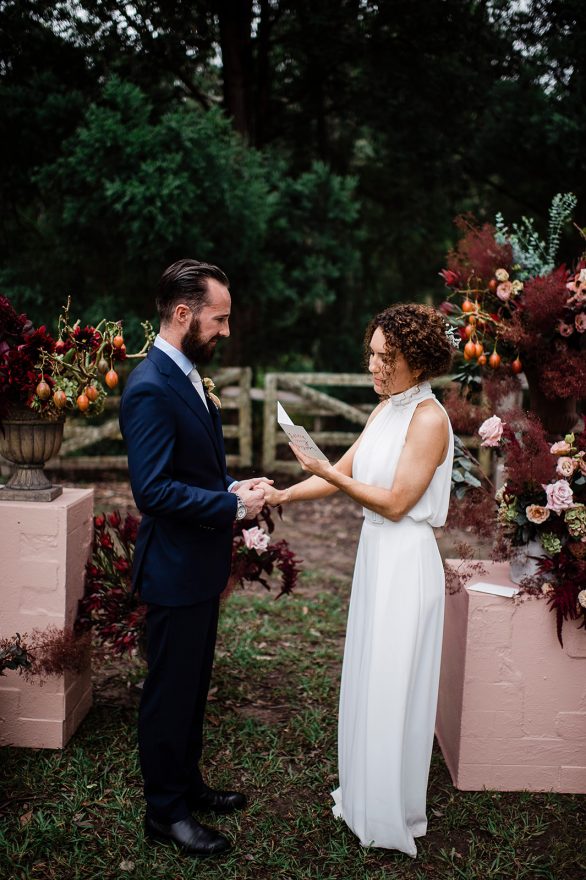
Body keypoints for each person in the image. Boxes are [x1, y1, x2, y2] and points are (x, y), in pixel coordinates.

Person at [264, 303, 455, 857]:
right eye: (371, 354)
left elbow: (396, 503)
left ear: (414, 362)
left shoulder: (428, 419)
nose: (373, 366)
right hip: (376, 558)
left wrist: (326, 474)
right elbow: (342, 473)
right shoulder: (386, 410)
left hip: (406, 561)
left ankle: (391, 811)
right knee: (371, 675)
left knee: (395, 681)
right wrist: (284, 494)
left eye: (383, 358)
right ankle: (365, 795)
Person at [119, 259, 268, 857]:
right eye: (219, 319)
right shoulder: (151, 385)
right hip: (174, 569)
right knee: (169, 692)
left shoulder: (185, 376)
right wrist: (230, 509)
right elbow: (152, 491)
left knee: (193, 683)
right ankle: (165, 812)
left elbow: (195, 470)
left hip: (199, 564)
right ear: (184, 314)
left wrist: (230, 489)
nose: (226, 331)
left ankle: (187, 783)